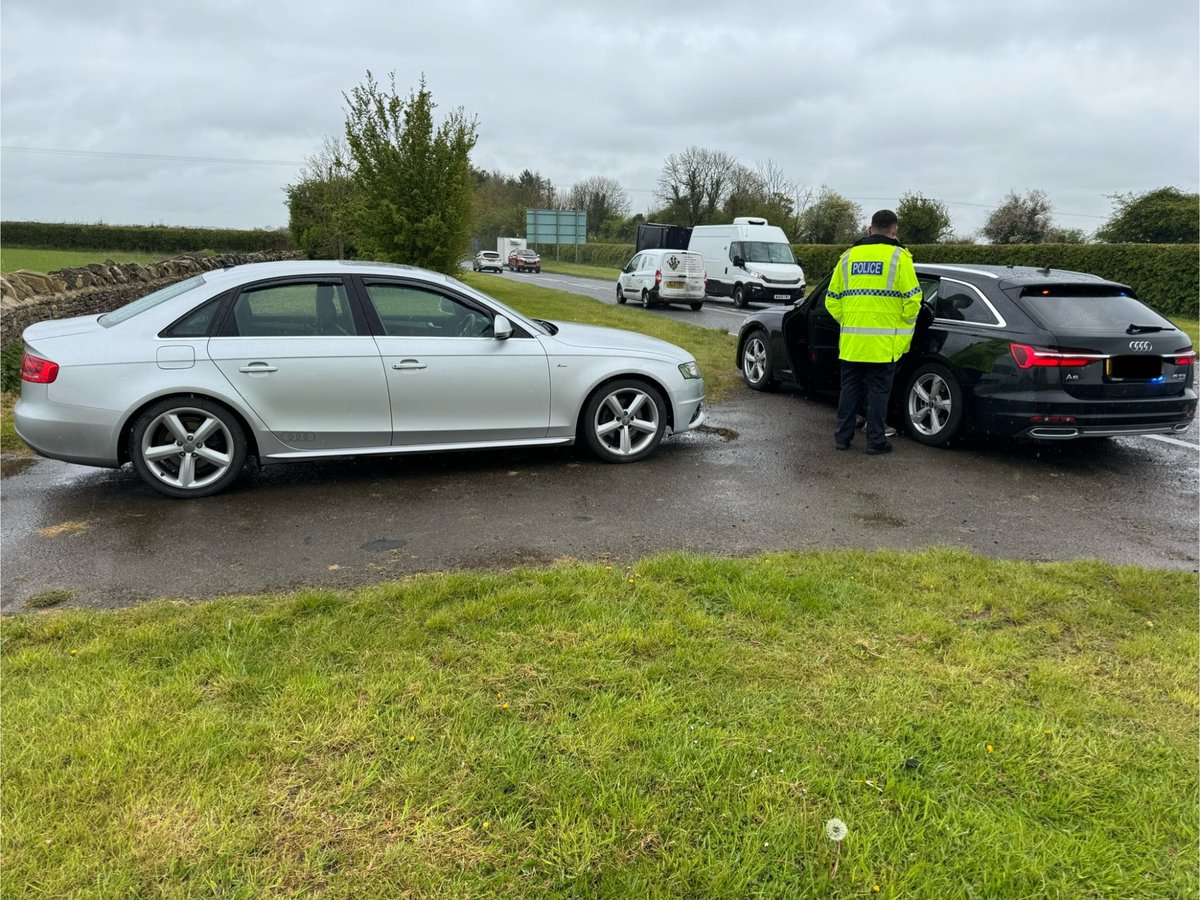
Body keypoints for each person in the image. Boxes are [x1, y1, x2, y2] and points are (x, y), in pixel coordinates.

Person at [824, 209, 921, 455]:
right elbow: (913, 301)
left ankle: (842, 438)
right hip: (882, 343)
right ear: (894, 230)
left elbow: (831, 300)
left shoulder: (848, 257)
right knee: (878, 393)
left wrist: (849, 320)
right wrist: (900, 326)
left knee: (850, 390)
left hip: (852, 341)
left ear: (870, 229)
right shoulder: (899, 258)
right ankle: (875, 441)